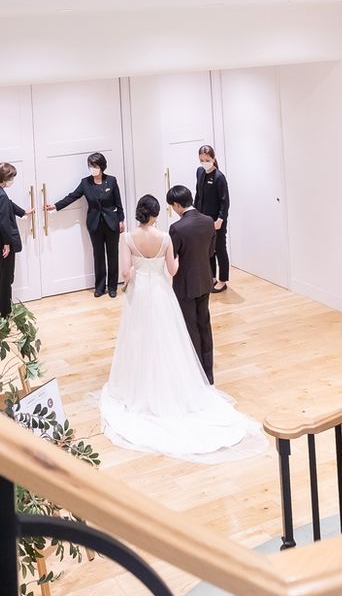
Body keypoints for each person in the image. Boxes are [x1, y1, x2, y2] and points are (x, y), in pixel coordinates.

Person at [98, 193, 262, 461]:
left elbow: (125, 272)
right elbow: (173, 270)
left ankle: (138, 382)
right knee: (167, 337)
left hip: (139, 294)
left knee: (137, 337)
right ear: (155, 215)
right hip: (160, 292)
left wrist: (134, 274)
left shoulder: (126, 238)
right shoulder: (165, 237)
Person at [45, 153, 125, 298]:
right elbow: (72, 196)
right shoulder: (85, 183)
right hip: (95, 224)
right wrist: (56, 206)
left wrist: (121, 220)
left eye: (94, 166)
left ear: (101, 166)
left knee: (113, 255)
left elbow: (118, 202)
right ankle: (100, 287)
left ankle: (112, 287)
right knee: (98, 255)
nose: (92, 168)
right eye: (90, 166)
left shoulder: (111, 181)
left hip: (112, 223)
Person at [167, 185, 216, 381]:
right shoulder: (208, 221)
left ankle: (195, 374)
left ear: (177, 204)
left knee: (190, 326)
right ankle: (208, 372)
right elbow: (211, 251)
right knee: (204, 324)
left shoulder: (177, 228)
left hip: (185, 284)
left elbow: (172, 258)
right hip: (205, 279)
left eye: (172, 206)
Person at [0, 162, 29, 317]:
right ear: (5, 178)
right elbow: (4, 222)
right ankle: (5, 312)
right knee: (7, 278)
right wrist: (7, 243)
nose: (13, 180)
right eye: (12, 177)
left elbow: (9, 205)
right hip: (2, 243)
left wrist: (23, 212)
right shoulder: (1, 196)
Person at [195, 145, 231, 292]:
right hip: (203, 219)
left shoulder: (219, 177)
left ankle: (222, 280)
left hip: (217, 221)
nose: (204, 163)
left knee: (220, 249)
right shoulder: (200, 172)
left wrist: (220, 219)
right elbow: (198, 194)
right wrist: (194, 213)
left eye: (207, 160)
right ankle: (212, 278)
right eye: (201, 160)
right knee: (208, 250)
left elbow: (225, 202)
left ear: (213, 159)